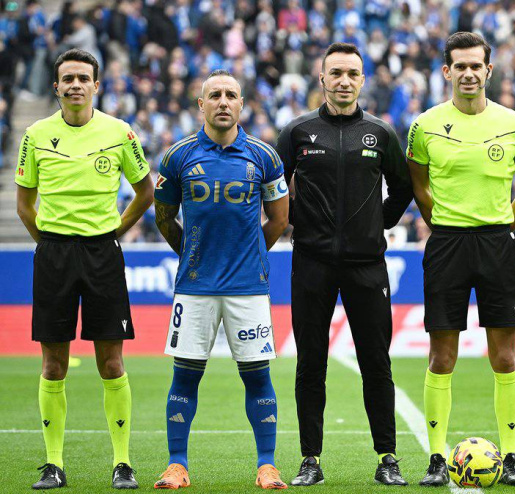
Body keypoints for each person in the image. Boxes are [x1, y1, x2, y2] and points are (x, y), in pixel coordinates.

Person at [15, 48, 154, 490]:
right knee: (53, 365)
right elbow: (24, 204)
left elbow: (144, 193)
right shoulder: (35, 134)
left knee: (111, 363)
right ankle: (53, 464)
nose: (75, 85)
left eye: (83, 78)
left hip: (103, 254)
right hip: (54, 254)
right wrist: (52, 244)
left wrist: (114, 231)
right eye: (68, 78)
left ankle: (123, 464)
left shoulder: (120, 132)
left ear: (97, 85)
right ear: (56, 86)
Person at [275, 42, 412, 487]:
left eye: (352, 73)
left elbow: (403, 188)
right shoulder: (297, 132)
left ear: (363, 79)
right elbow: (274, 188)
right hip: (310, 263)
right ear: (322, 79)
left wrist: (378, 224)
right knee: (310, 364)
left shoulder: (381, 133)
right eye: (336, 73)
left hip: (367, 266)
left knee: (377, 363)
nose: (344, 81)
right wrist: (298, 221)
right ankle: (310, 459)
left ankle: (387, 458)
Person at [407, 31, 515, 487]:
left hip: (498, 246)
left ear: (489, 70)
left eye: (474, 65)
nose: (467, 73)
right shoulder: (424, 126)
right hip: (446, 245)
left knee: (503, 356)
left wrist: (504, 227)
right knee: (441, 357)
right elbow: (419, 187)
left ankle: (512, 456)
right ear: (446, 72)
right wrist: (442, 222)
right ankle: (438, 459)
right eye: (458, 65)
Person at [152, 69, 290, 490]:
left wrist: (248, 256)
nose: (224, 101)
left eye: (232, 95)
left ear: (242, 104)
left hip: (248, 288)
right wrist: (193, 255)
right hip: (194, 287)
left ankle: (267, 465)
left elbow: (280, 218)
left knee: (257, 376)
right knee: (185, 375)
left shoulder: (264, 156)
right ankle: (177, 465)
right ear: (201, 104)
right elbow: (163, 217)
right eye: (215, 95)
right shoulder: (177, 156)